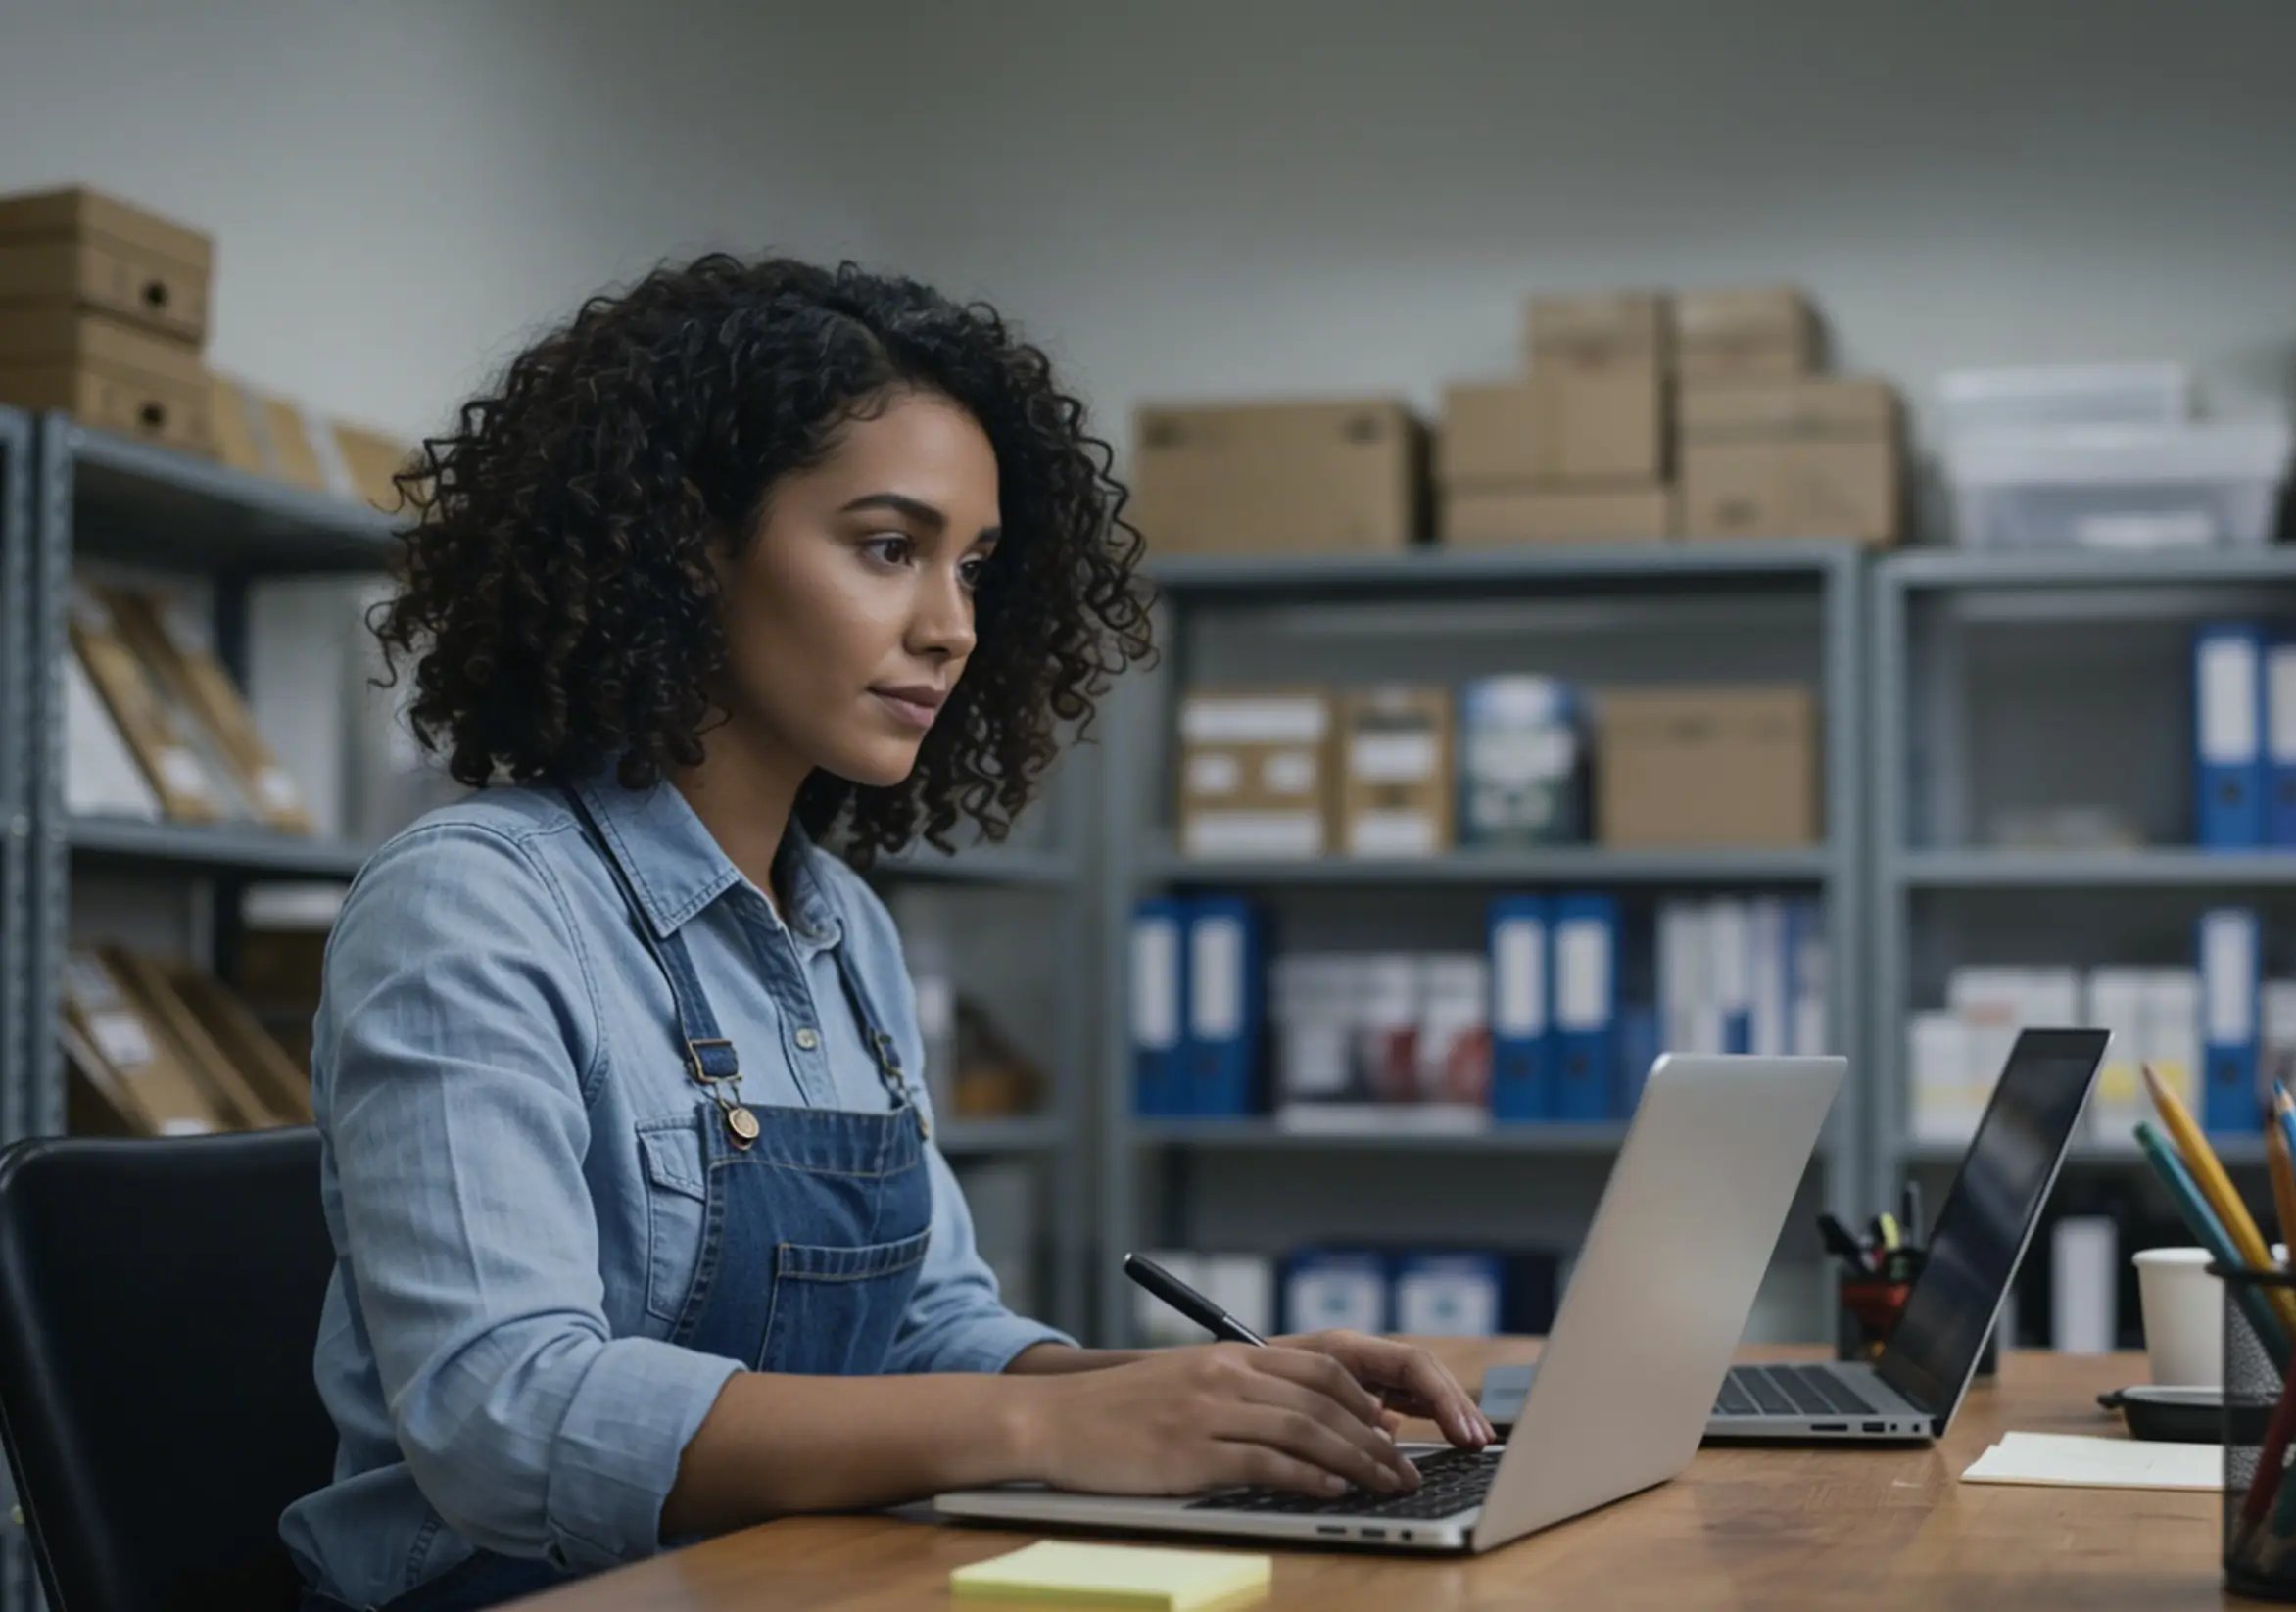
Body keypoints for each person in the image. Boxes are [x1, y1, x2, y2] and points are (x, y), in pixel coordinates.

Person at [283, 257, 1492, 1612]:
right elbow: (503, 1414)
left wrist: (1220, 1394)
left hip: (792, 1578)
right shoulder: (473, 902)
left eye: (972, 567)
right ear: (687, 543)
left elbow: (929, 1324)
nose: (950, 625)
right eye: (885, 547)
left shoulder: (841, 926)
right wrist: (1046, 1432)